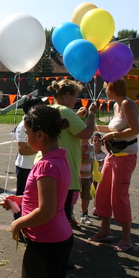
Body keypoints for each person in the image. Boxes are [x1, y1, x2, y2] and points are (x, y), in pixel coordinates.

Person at [9, 105, 73, 278]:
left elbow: (46, 211)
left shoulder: (46, 165)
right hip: (58, 238)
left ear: (40, 134)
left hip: (46, 242)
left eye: (28, 133)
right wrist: (20, 200)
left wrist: (17, 223)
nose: (26, 138)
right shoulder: (59, 157)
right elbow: (49, 197)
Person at [36, 79, 98, 226]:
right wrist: (91, 114)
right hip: (63, 170)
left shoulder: (52, 109)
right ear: (67, 95)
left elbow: (66, 129)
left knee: (48, 209)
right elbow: (86, 133)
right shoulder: (65, 111)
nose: (76, 101)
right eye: (75, 96)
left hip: (48, 165)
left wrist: (77, 117)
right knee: (61, 213)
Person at [90, 79, 139, 252]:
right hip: (112, 155)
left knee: (119, 194)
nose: (105, 93)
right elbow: (111, 128)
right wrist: (90, 125)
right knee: (103, 190)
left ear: (114, 88)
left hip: (125, 156)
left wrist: (114, 136)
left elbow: (135, 129)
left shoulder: (127, 104)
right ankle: (105, 230)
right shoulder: (116, 106)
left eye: (106, 89)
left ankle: (126, 237)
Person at [13, 96, 47, 196]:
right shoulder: (23, 126)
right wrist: (44, 147)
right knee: (23, 199)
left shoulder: (37, 123)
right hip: (26, 168)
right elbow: (23, 150)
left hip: (36, 166)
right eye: (40, 107)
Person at [79, 138, 95, 225]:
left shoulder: (91, 147)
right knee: (73, 197)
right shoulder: (77, 146)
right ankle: (70, 214)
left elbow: (92, 160)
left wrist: (92, 174)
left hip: (88, 175)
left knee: (86, 196)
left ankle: (84, 214)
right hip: (79, 176)